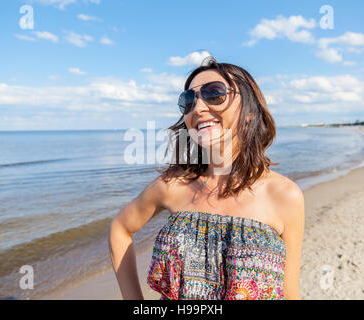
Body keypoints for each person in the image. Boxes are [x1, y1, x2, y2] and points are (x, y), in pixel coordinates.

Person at [109, 57, 305, 300]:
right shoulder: (173, 186)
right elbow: (120, 229)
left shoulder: (284, 195)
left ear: (250, 113)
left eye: (214, 94)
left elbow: (289, 292)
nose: (198, 108)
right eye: (188, 101)